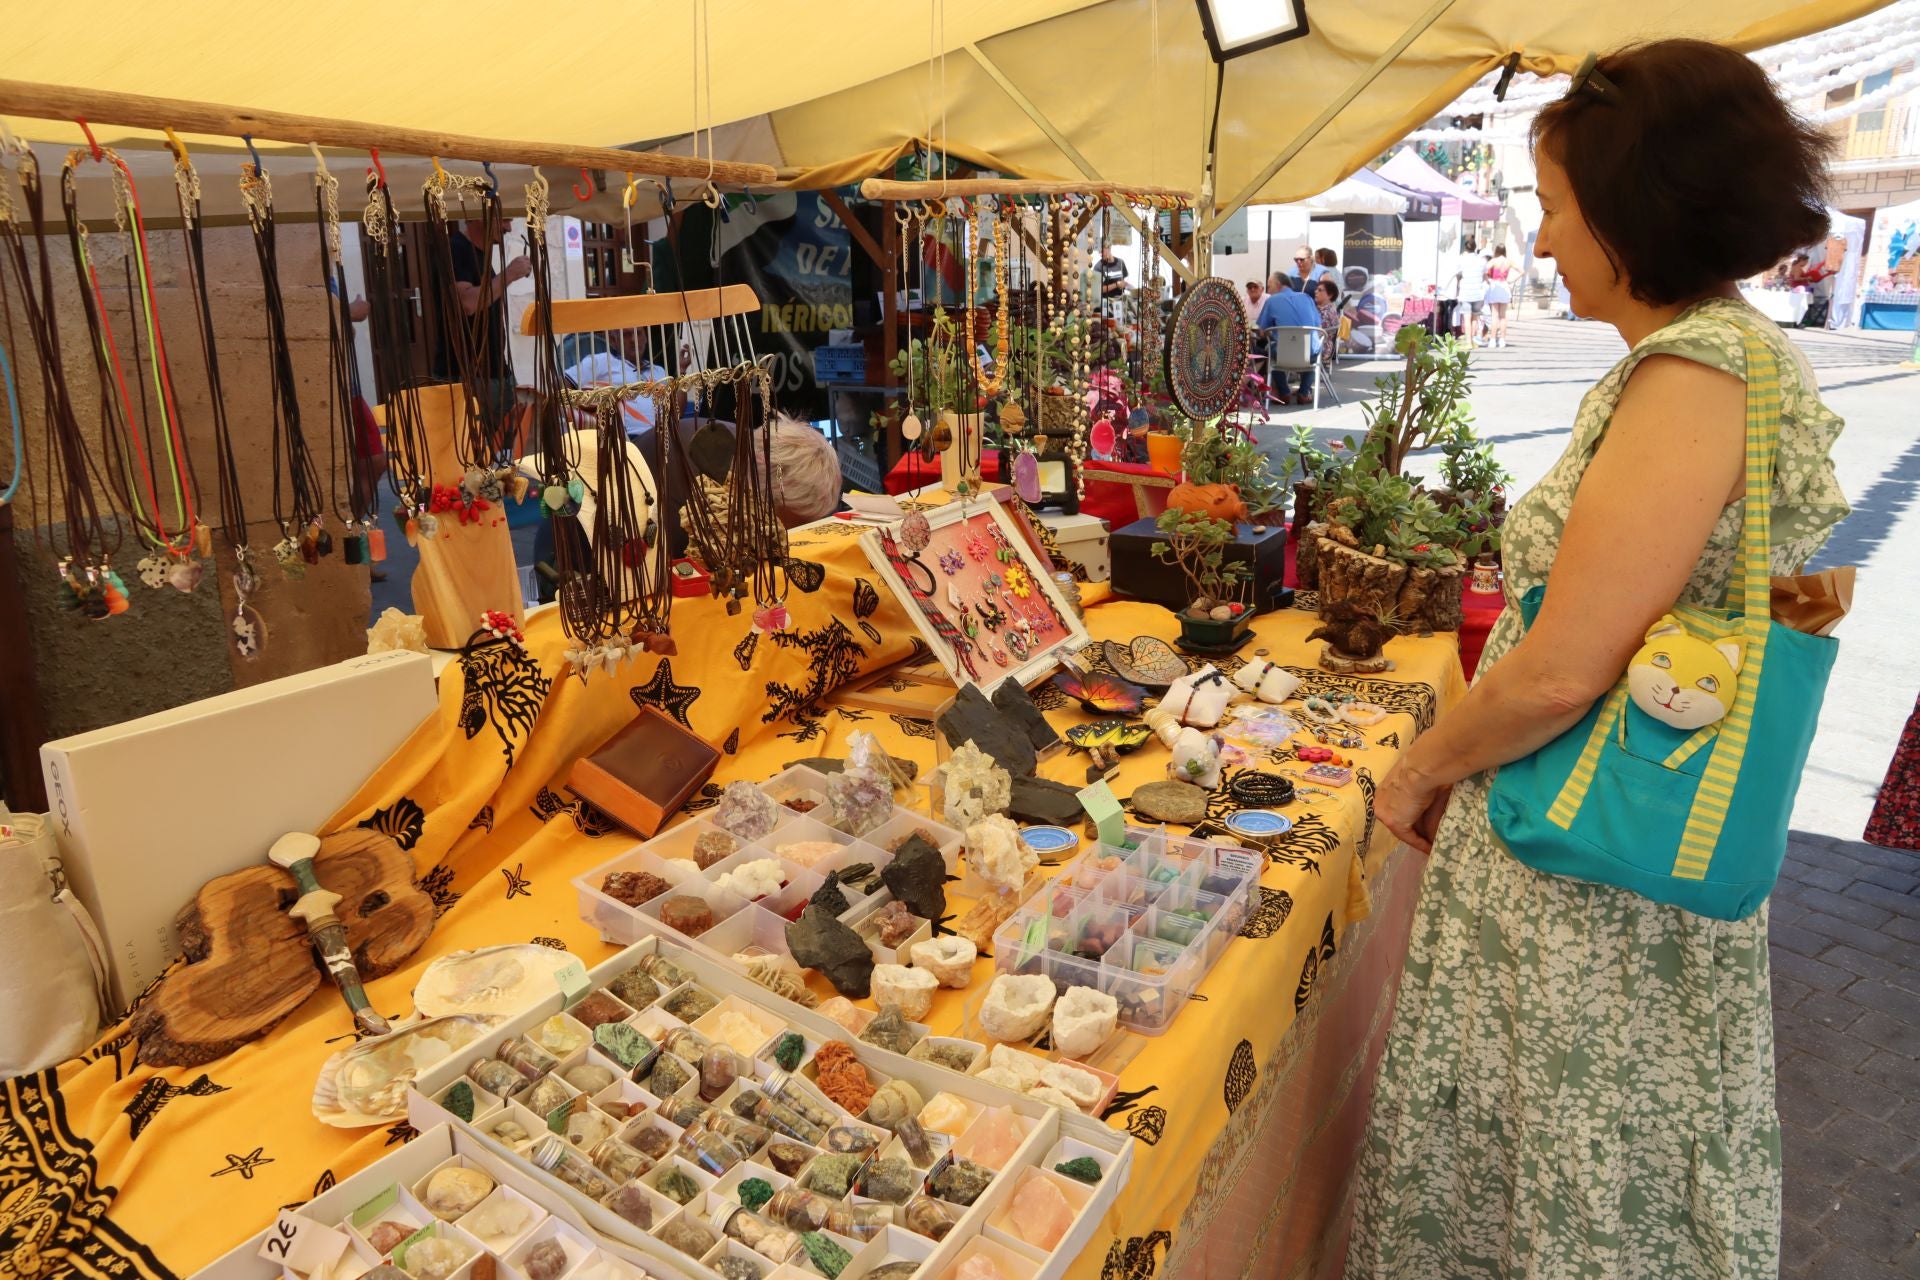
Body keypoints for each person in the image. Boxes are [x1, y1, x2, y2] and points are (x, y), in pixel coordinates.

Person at [1349, 39, 1848, 1280]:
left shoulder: (1696, 371)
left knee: (1571, 1195)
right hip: (1603, 855)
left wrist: (1417, 770)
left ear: (1636, 212)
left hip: (1586, 882)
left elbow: (1564, 668)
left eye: (1559, 210)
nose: (1545, 242)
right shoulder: (1711, 358)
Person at [436, 218, 534, 427]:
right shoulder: (457, 250)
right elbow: (468, 303)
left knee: (511, 448)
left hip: (495, 374)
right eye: (504, 220)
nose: (508, 228)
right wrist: (509, 274)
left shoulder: (480, 256)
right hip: (468, 376)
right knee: (480, 452)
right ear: (476, 217)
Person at [1255, 273, 1322, 404]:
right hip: (1309, 354)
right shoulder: (1307, 298)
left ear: (1279, 285)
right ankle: (1304, 392)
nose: (1268, 290)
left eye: (1269, 286)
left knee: (1270, 351)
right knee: (1313, 347)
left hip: (1283, 355)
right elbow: (1318, 326)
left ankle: (1283, 392)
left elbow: (1262, 333)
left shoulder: (1271, 301)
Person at [1452, 235, 1490, 344]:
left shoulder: (1462, 260)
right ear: (1475, 247)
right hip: (1478, 292)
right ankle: (1473, 338)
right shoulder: (1482, 260)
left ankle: (1468, 341)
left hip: (1465, 291)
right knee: (1475, 317)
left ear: (1465, 248)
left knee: (1467, 317)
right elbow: (1485, 275)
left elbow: (1457, 274)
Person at [1482, 244, 1514, 348]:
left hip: (1495, 285)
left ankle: (1492, 339)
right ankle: (1502, 340)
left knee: (1494, 315)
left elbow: (1484, 270)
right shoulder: (1508, 261)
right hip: (1504, 286)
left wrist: (1487, 280)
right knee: (1503, 316)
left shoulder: (1494, 261)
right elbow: (1522, 271)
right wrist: (1512, 280)